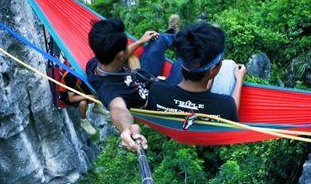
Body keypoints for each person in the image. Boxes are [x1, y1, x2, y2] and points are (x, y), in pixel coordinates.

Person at [86, 16, 247, 152]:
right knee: (194, 61)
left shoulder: (95, 63)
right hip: (163, 92)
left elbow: (121, 54)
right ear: (121, 55)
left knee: (158, 40)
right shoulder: (111, 92)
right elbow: (118, 109)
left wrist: (141, 41)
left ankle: (177, 36)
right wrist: (127, 129)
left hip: (147, 77)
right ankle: (190, 44)